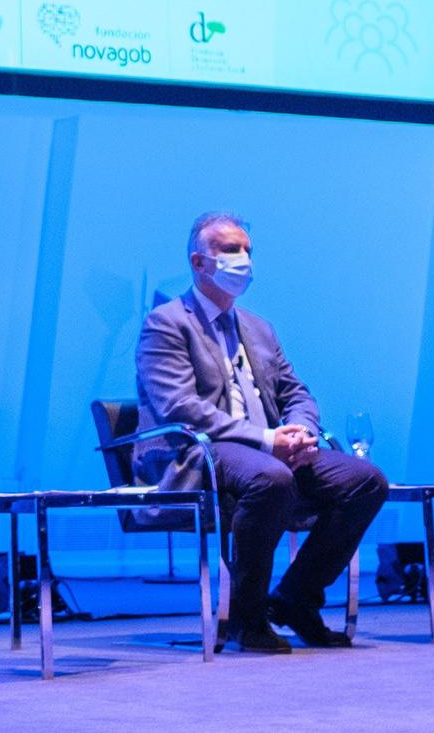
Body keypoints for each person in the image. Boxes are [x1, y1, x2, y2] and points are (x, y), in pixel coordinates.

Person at [135, 212, 387, 652]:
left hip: (268, 450)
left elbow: (297, 392)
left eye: (247, 250)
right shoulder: (167, 322)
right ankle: (246, 618)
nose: (243, 260)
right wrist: (269, 440)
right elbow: (180, 407)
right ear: (199, 262)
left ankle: (295, 599)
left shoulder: (258, 327)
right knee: (270, 477)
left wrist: (301, 432)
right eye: (230, 250)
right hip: (199, 453)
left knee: (365, 481)